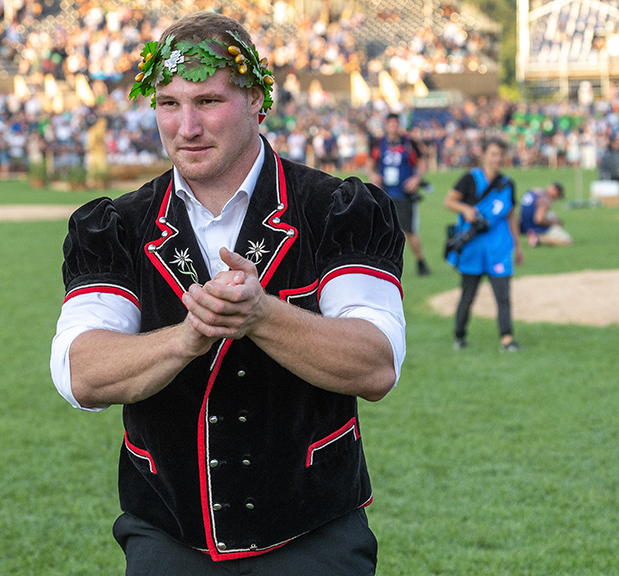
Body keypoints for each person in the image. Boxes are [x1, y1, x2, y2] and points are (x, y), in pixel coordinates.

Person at [50, 12, 406, 575]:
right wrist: (186, 338)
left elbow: (376, 363)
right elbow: (81, 373)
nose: (186, 126)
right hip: (169, 540)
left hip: (314, 540)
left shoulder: (336, 211)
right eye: (169, 104)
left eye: (208, 101)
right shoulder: (117, 226)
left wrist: (263, 315)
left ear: (258, 99)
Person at [444, 137, 523, 352]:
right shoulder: (470, 179)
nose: (498, 159)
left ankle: (507, 339)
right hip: (473, 248)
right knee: (468, 295)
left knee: (503, 296)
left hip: (499, 247)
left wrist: (518, 246)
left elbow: (511, 216)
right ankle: (459, 336)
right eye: (494, 154)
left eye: (501, 155)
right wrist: (466, 209)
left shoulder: (507, 184)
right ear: (484, 155)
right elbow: (449, 201)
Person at [367, 112, 431, 276]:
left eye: (396, 123)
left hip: (404, 194)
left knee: (409, 230)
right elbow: (370, 163)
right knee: (381, 230)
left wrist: (417, 178)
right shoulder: (379, 143)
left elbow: (422, 161)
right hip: (384, 193)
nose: (393, 127)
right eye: (390, 123)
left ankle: (420, 261)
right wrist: (373, 175)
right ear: (386, 125)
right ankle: (380, 265)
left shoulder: (409, 143)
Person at [519, 182, 573, 246]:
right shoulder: (545, 199)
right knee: (568, 241)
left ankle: (534, 236)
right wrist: (553, 222)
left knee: (551, 215)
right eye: (558, 195)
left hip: (524, 225)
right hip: (536, 228)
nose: (556, 198)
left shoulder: (533, 192)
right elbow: (539, 220)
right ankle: (538, 238)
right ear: (555, 190)